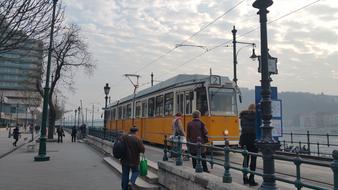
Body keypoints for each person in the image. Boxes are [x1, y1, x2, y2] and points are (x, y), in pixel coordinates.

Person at [239, 104, 258, 186]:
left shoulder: (243, 116)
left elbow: (242, 127)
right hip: (253, 139)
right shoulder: (257, 117)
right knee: (253, 159)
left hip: (244, 139)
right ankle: (252, 179)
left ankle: (244, 177)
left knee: (246, 158)